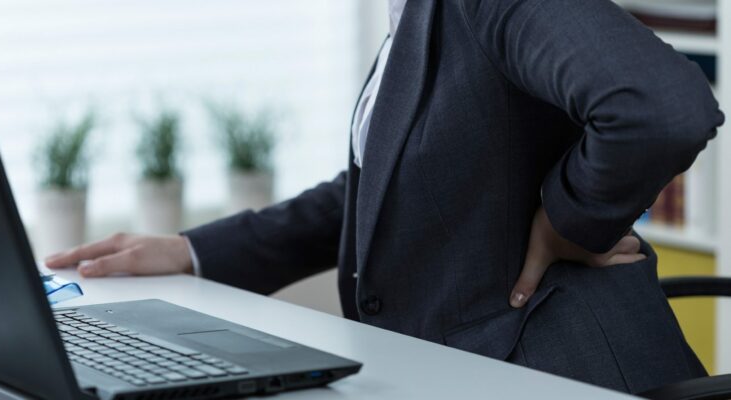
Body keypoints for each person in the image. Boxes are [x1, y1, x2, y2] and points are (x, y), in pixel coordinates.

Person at [46, 0, 724, 394]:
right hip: (457, 365)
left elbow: (659, 107)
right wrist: (191, 249)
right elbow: (381, 187)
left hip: (555, 369)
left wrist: (571, 221)